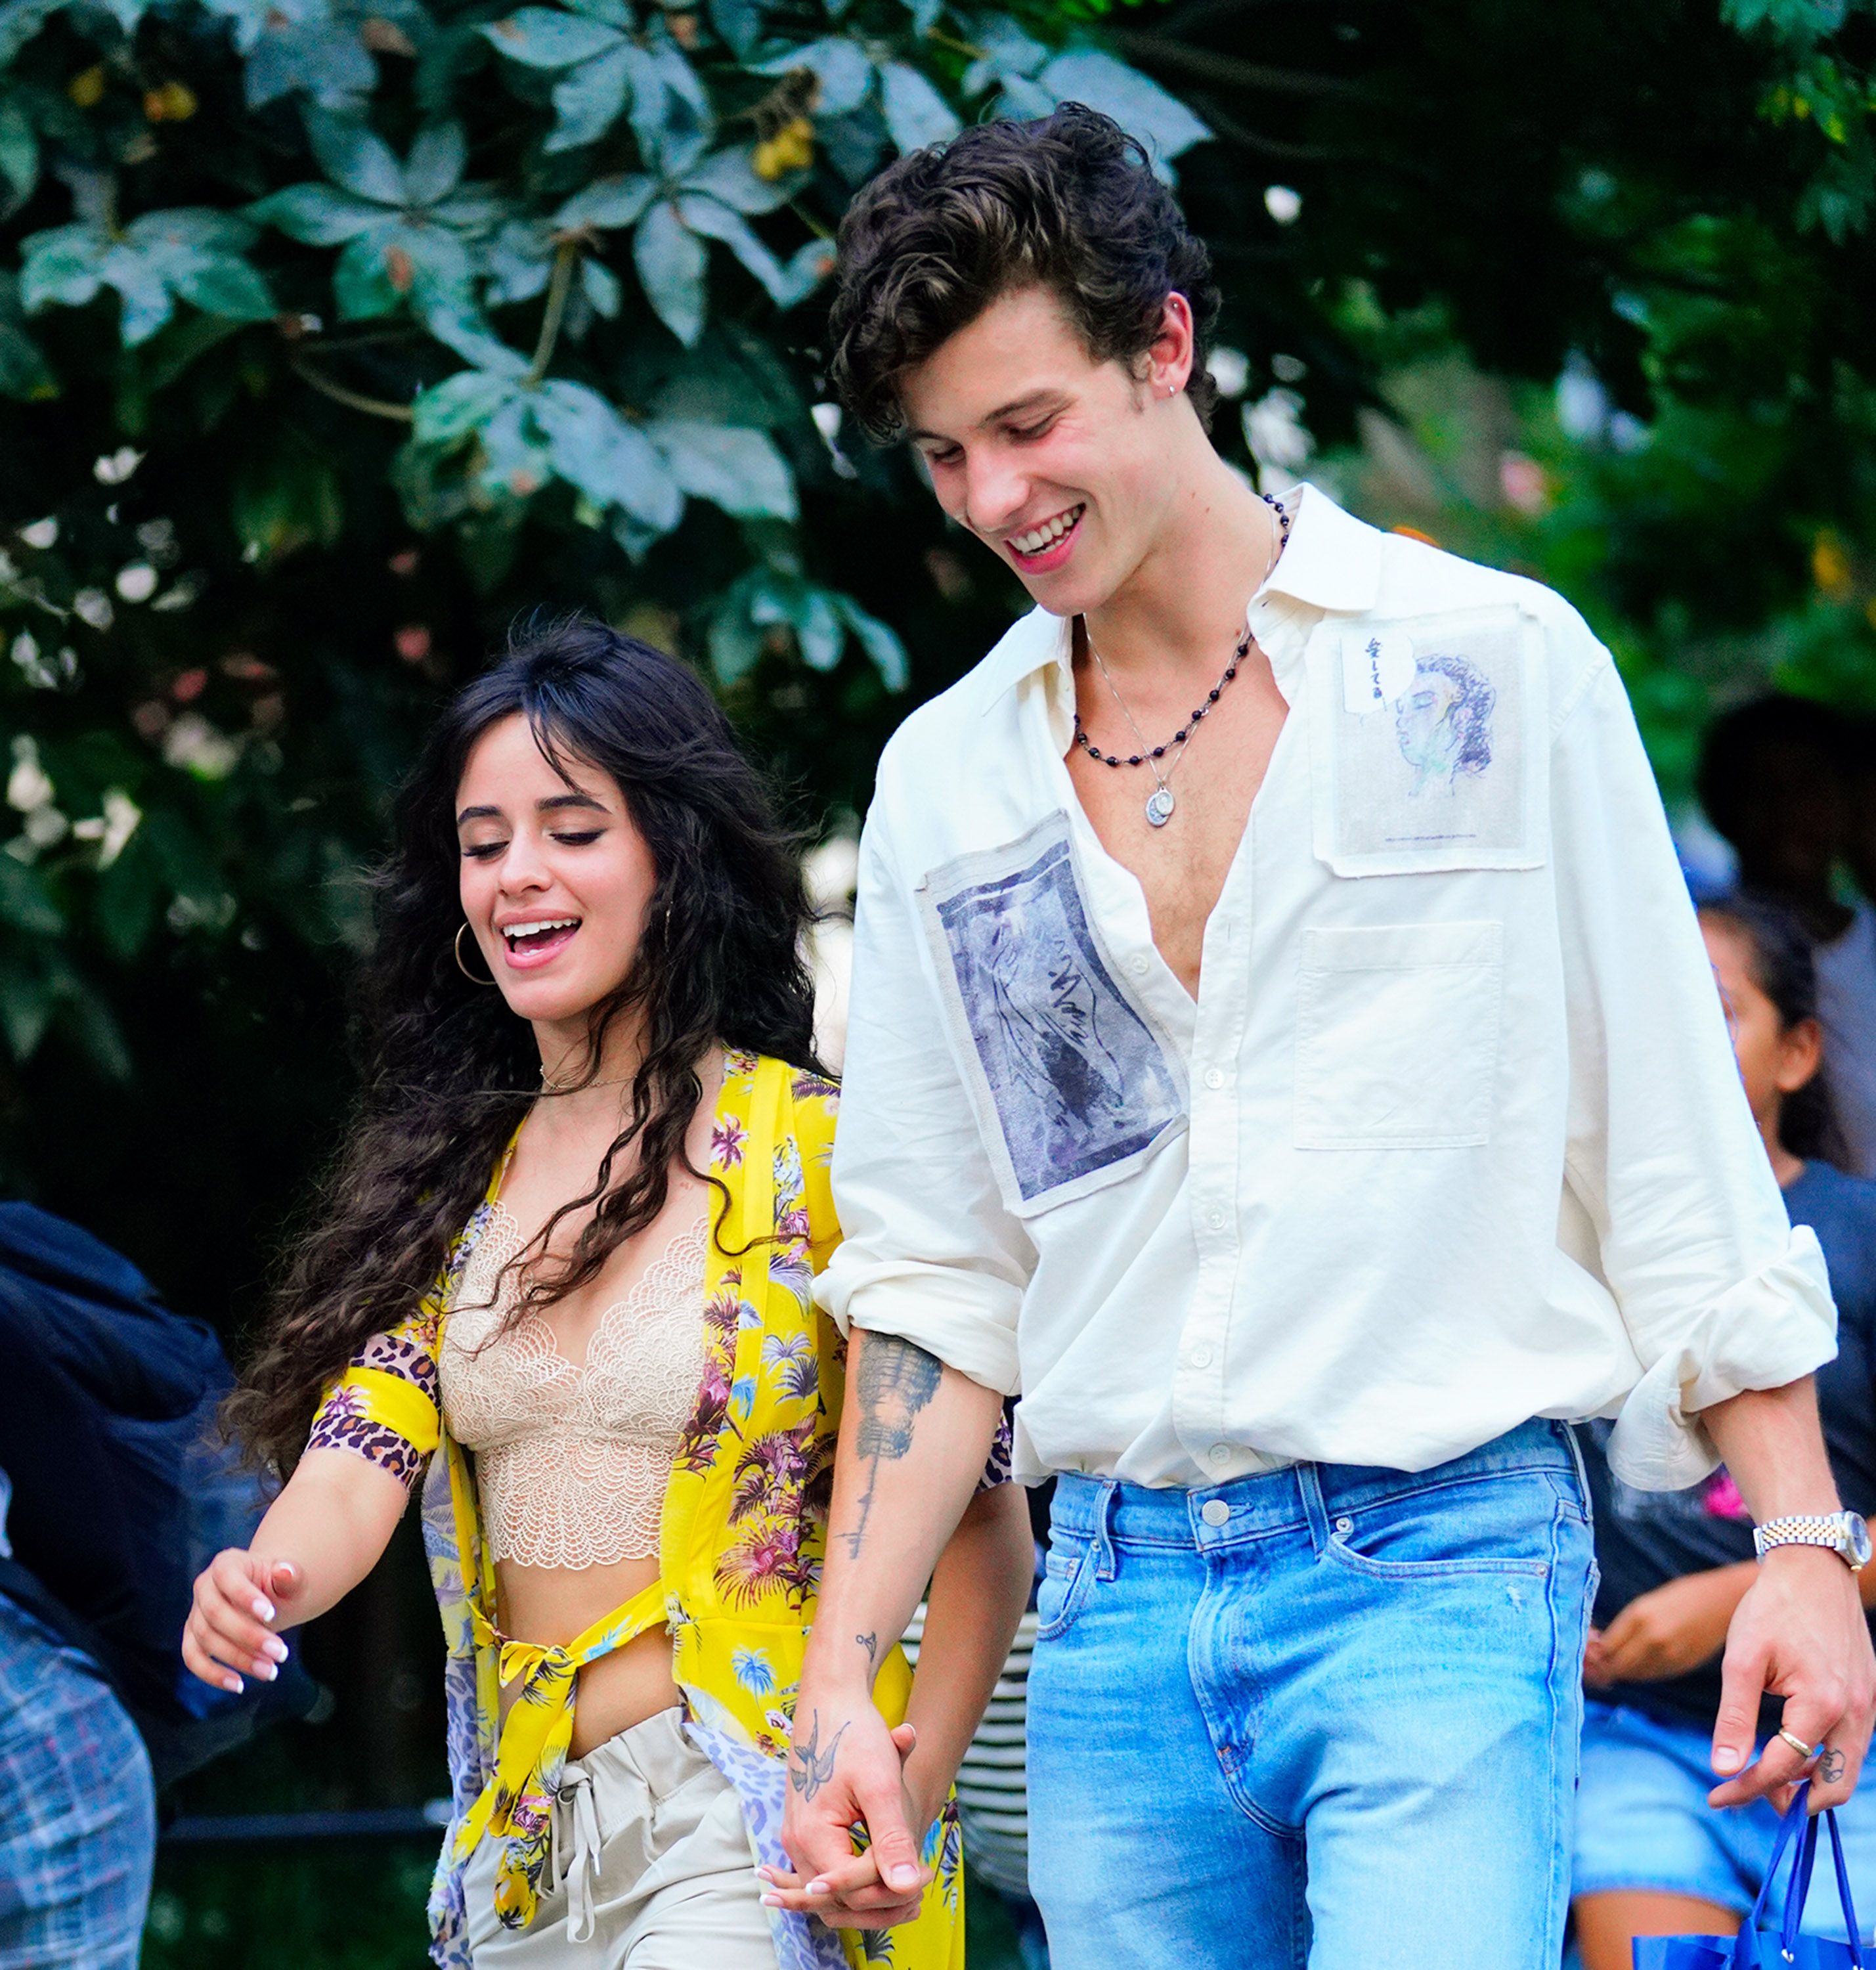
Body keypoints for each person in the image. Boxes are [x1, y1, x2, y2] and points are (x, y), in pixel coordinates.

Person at [765, 106, 1876, 1970]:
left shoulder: (1492, 664)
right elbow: (937, 1283)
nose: (989, 499)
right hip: (1112, 1601)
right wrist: (837, 1691)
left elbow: (1671, 1145)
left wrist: (1804, 1549)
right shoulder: (948, 781)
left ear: (1168, 345)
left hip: (1443, 1560)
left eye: (1028, 426)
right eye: (945, 454)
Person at [183, 620, 1033, 1970]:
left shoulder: (817, 1154)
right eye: (483, 841)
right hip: (527, 1851)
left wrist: (902, 1814)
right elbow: (362, 1453)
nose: (518, 872)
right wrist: (264, 1584)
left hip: (751, 1818)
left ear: (672, 862)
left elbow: (986, 1537)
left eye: (572, 829)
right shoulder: (447, 1187)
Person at [1572, 892, 1876, 1963]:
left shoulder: (1857, 1234)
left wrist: (1739, 1592)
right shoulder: (1567, 1245)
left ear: (1796, 1053)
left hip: (1852, 1738)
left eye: (1711, 1009)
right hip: (1639, 1746)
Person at [1697, 695, 1876, 1177]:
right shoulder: (1701, 957)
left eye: (1807, 785)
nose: (1787, 808)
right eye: (1762, 789)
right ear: (1721, 808)